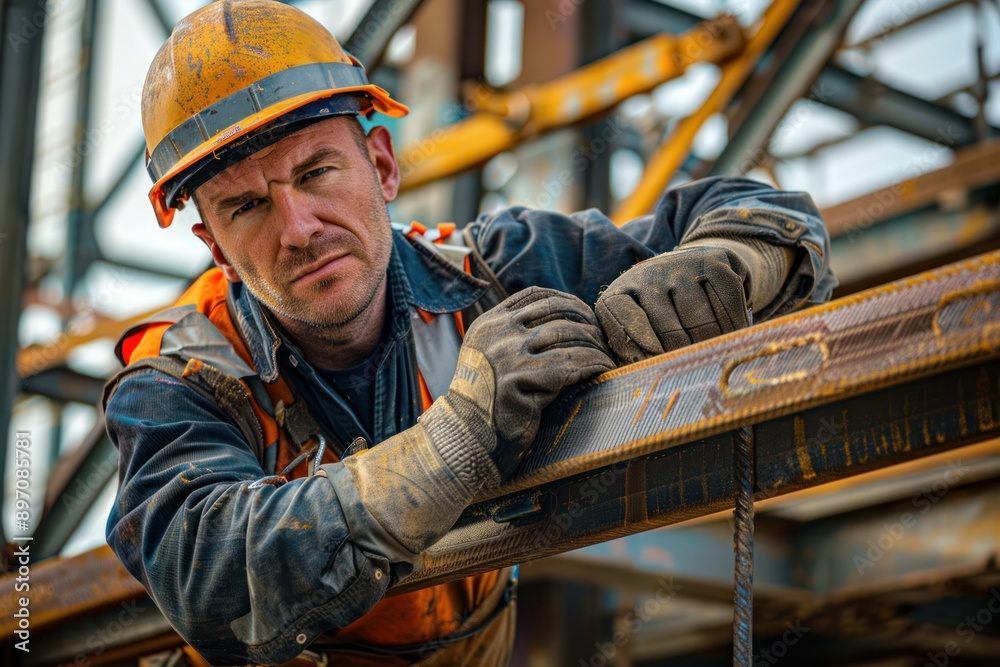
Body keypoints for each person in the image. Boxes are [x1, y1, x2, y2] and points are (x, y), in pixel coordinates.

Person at [103, 1, 836, 666]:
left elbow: (758, 212)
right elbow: (208, 576)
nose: (298, 230)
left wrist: (729, 263)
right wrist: (449, 448)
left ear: (382, 166)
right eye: (247, 207)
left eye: (318, 172)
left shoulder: (487, 274)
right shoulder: (181, 379)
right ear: (214, 245)